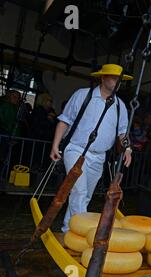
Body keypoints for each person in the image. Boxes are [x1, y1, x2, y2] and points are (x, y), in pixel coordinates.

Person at [50, 64, 133, 233]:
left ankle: (68, 228)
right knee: (79, 190)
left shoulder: (120, 106)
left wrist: (128, 149)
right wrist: (55, 145)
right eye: (113, 77)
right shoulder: (82, 95)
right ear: (102, 77)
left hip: (99, 156)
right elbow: (65, 120)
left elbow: (123, 133)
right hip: (76, 149)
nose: (117, 82)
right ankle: (82, 233)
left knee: (85, 195)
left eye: (119, 79)